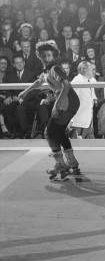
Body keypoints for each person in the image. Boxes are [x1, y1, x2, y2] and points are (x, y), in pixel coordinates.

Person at [18, 41, 81, 179]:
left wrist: (58, 102)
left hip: (68, 102)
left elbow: (66, 84)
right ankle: (72, 163)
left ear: (52, 55)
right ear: (39, 56)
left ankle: (61, 164)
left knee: (49, 132)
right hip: (68, 101)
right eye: (43, 55)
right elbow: (39, 82)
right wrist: (25, 91)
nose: (46, 57)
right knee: (58, 132)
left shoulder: (55, 68)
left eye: (48, 55)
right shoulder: (47, 70)